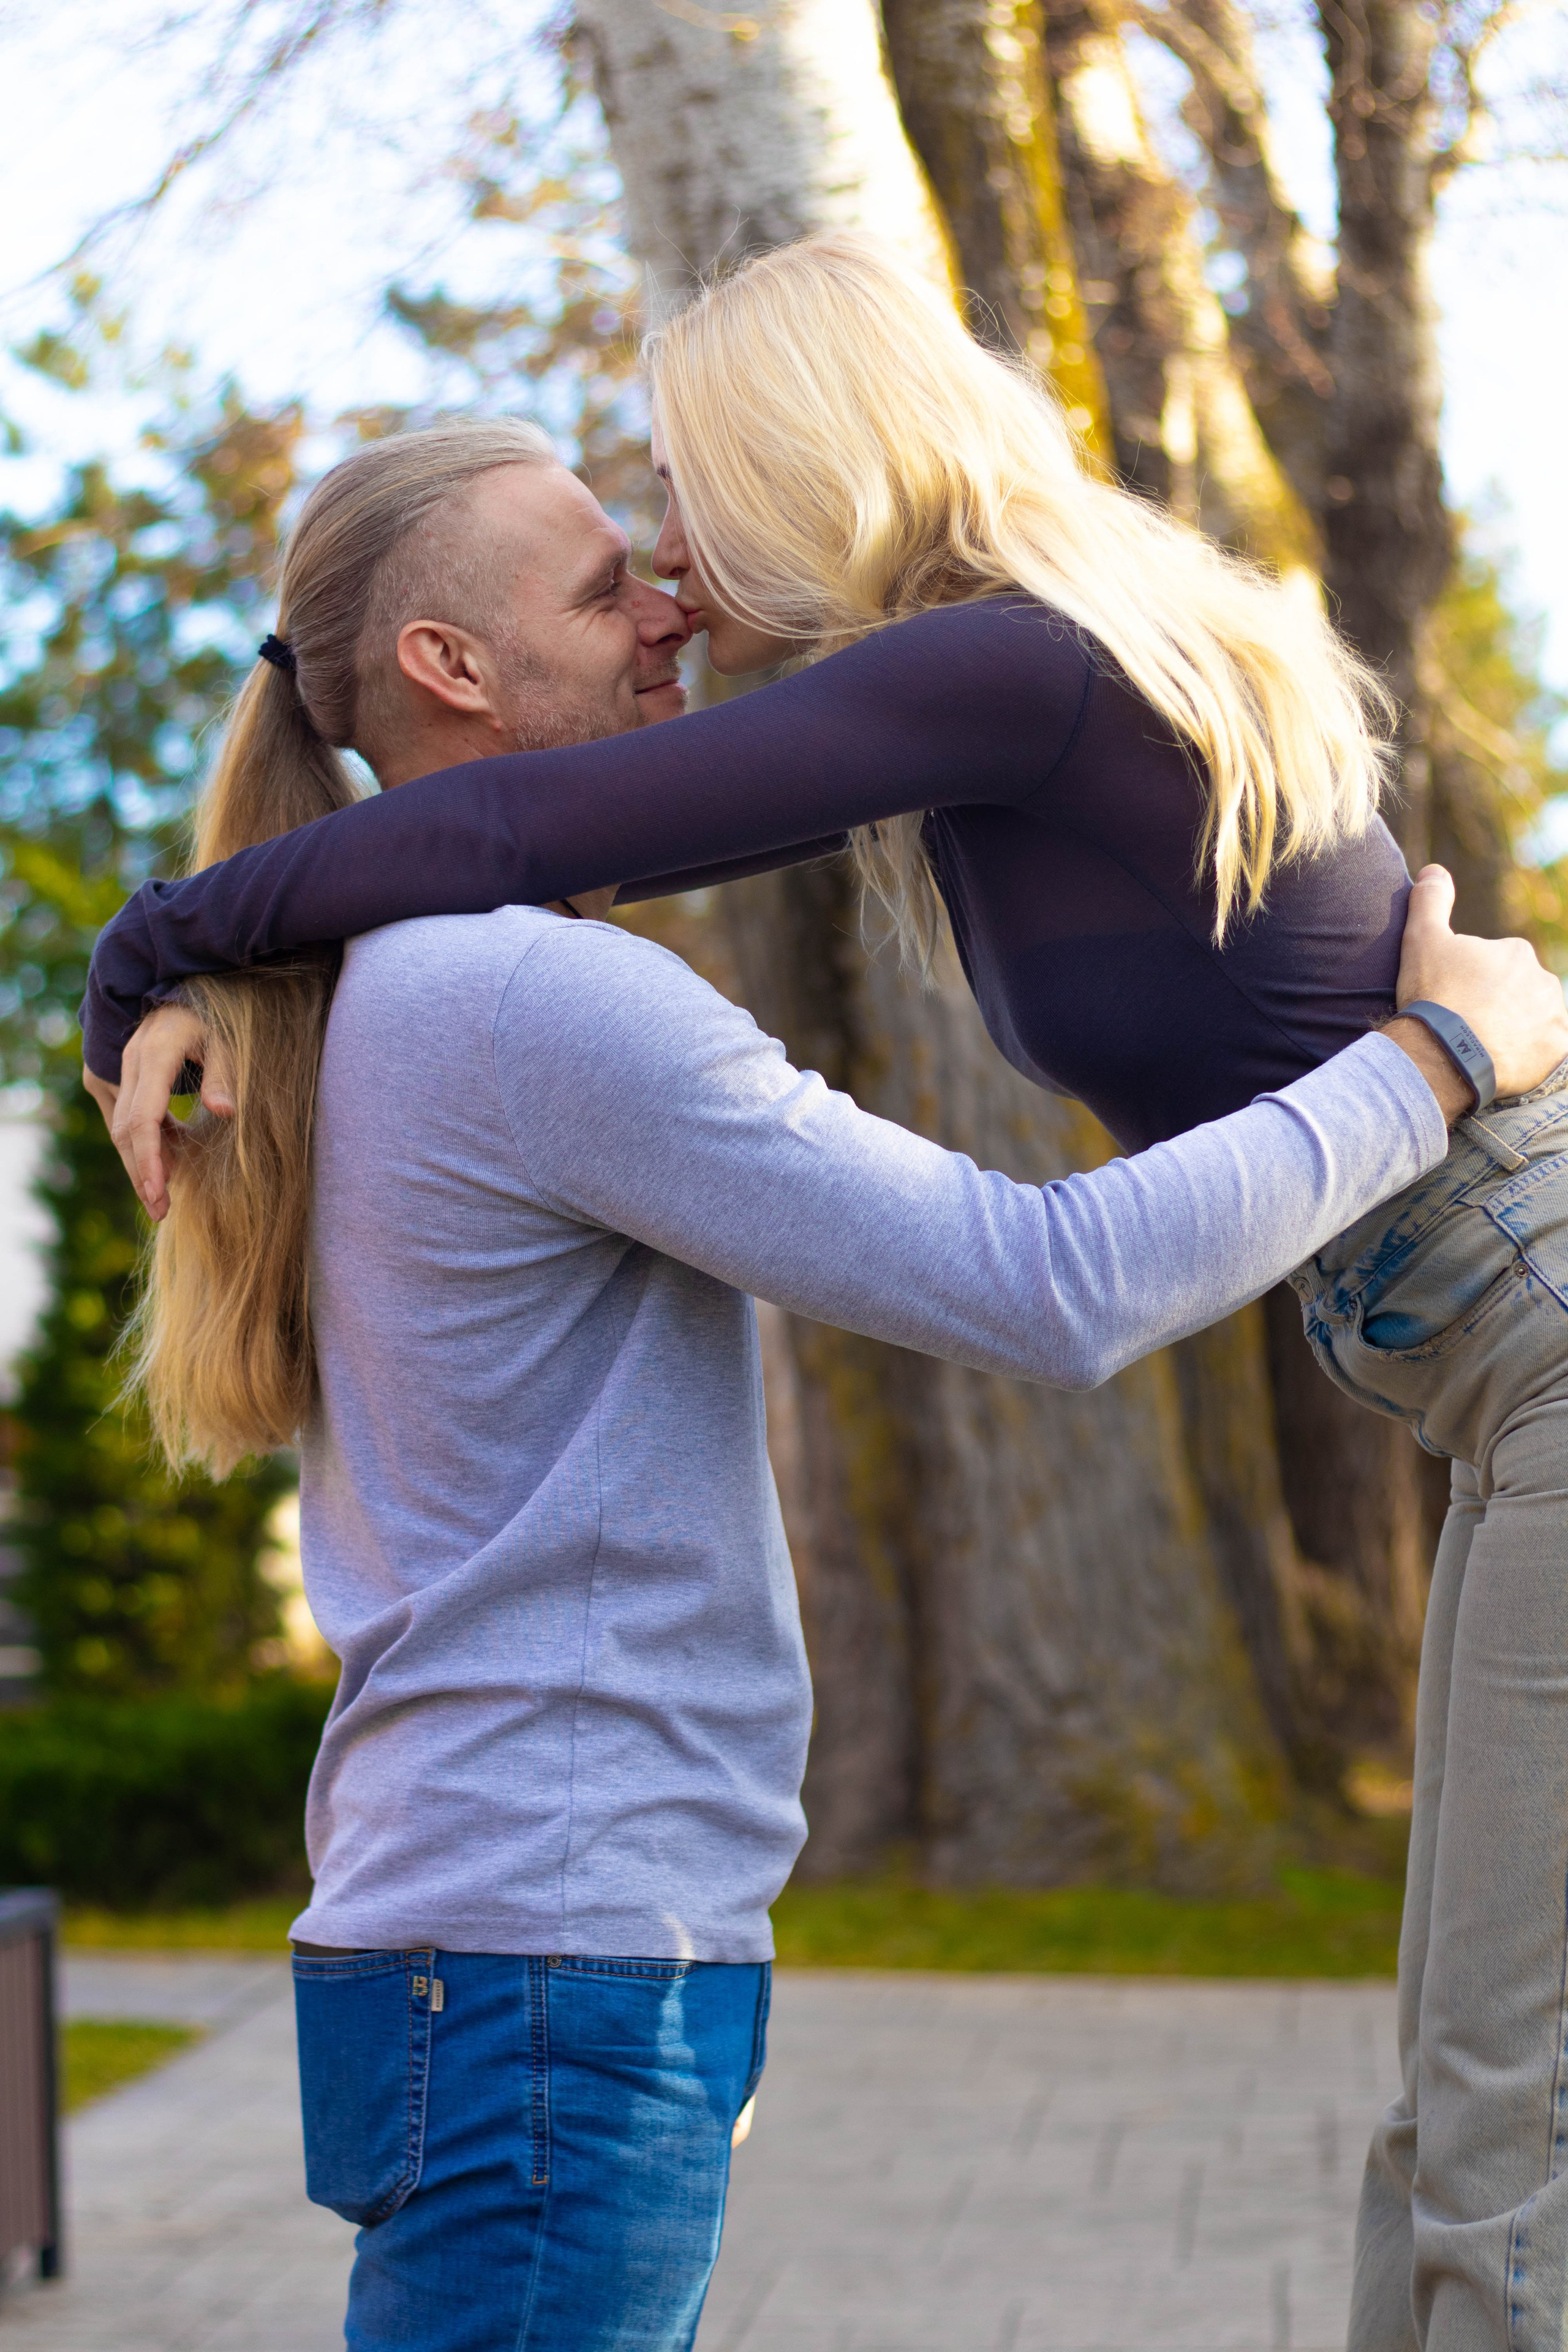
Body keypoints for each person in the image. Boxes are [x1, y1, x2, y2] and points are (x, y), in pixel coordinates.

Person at [80, 239, 1568, 2350]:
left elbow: (520, 818)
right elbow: (1029, 1269)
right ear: (447, 660)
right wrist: (1429, 1065)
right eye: (613, 578)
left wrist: (165, 950)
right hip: (557, 1944)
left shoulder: (988, 679)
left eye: (675, 508)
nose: (674, 582)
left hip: (506, 1927)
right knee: (1481, 2126)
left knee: (1488, 2124)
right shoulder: (546, 982)